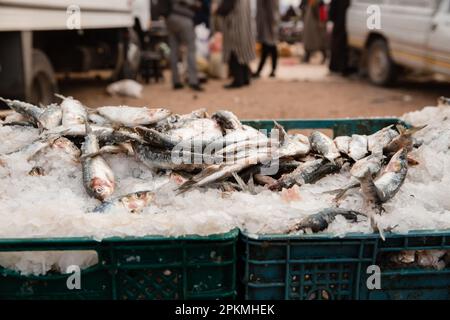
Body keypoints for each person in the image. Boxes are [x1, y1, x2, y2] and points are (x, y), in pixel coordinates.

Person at [216, 0, 255, 89]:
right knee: (243, 54)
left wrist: (217, 10)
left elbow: (224, 9)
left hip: (234, 27)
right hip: (244, 27)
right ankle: (245, 78)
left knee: (234, 53)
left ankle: (238, 80)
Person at [166, 0, 204, 91]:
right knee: (191, 49)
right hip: (184, 18)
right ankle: (193, 81)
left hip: (170, 18)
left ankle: (176, 81)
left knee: (174, 51)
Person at [253, 0, 280, 78]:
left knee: (269, 46)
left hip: (268, 23)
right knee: (269, 47)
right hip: (267, 23)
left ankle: (262, 70)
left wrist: (273, 22)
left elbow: (272, 9)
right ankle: (267, 70)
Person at [328, 0, 351, 75]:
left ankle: (336, 68)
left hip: (339, 23)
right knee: (343, 46)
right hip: (345, 24)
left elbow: (331, 12)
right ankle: (342, 68)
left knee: (337, 45)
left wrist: (331, 18)